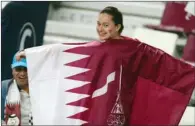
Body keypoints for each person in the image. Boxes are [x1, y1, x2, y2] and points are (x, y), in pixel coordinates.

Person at [15, 6, 195, 125]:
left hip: (121, 108)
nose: (100, 29)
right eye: (98, 24)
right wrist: (31, 54)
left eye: (106, 25)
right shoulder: (95, 48)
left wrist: (189, 72)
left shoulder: (135, 48)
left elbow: (162, 62)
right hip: (96, 107)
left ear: (117, 26)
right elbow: (63, 50)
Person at [1, 53, 33, 125]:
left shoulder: (40, 89)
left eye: (26, 69)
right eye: (18, 69)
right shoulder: (3, 87)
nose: (22, 73)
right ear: (12, 69)